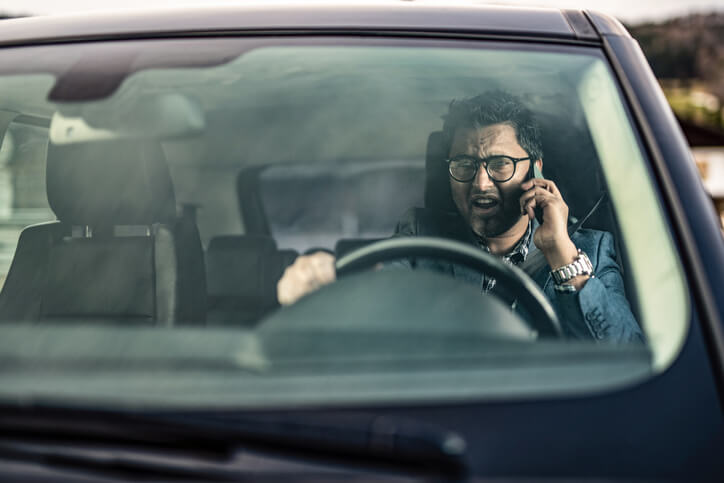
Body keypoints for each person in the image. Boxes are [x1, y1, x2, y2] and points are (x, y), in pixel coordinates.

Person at [276, 91, 643, 343]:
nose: (480, 183)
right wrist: (331, 284)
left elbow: (625, 351)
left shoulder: (589, 250)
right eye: (465, 164)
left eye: (500, 164)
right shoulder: (422, 235)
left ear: (535, 170)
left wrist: (560, 252)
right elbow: (382, 287)